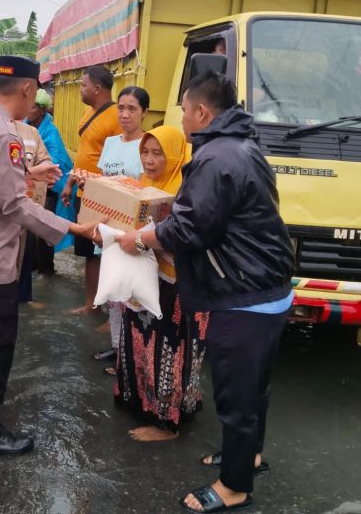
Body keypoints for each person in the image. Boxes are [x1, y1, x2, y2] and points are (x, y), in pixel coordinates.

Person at [116, 73, 294, 513]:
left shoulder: (216, 157)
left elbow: (190, 227)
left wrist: (139, 238)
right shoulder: (242, 146)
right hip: (266, 287)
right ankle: (248, 457)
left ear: (201, 112)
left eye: (183, 109)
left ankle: (235, 486)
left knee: (236, 397)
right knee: (256, 389)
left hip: (244, 294)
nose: (181, 117)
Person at [0, 55, 99, 455]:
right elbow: (14, 205)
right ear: (28, 89)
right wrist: (71, 227)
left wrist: (27, 176)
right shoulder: (3, 133)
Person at [115, 125, 208, 442]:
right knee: (139, 340)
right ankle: (140, 400)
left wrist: (144, 238)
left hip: (175, 285)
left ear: (176, 154)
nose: (150, 160)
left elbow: (187, 239)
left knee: (168, 350)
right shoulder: (144, 185)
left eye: (158, 153)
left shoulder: (186, 190)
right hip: (144, 279)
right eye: (145, 152)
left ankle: (167, 422)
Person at [93, 86, 150, 369]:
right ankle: (117, 348)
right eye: (121, 108)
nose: (125, 114)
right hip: (109, 229)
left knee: (132, 294)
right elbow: (104, 182)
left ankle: (131, 353)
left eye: (132, 109)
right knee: (114, 293)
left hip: (132, 232)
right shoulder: (111, 143)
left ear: (144, 113)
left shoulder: (147, 148)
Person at [61, 65, 121, 315]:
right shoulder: (87, 113)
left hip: (103, 197)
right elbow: (84, 154)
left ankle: (113, 311)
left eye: (83, 85)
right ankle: (91, 305)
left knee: (108, 254)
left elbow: (118, 161)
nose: (80, 90)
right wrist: (70, 182)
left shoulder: (117, 117)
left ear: (97, 88)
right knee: (88, 253)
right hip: (82, 194)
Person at [25, 88, 72, 275]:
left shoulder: (51, 132)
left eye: (34, 106)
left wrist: (38, 168)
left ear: (43, 109)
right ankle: (33, 265)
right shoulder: (24, 126)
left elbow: (56, 159)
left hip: (49, 187)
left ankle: (46, 268)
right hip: (29, 184)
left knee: (44, 229)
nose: (30, 109)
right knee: (29, 228)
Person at [14, 117, 56, 308]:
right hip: (2, 208)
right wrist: (33, 172)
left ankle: (24, 296)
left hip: (29, 202)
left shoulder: (32, 132)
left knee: (27, 249)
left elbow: (45, 158)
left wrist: (48, 171)